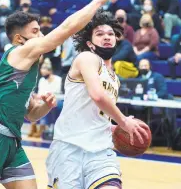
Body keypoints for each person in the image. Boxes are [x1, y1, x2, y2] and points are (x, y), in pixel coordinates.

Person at [0, 0, 121, 188]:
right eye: (35, 31)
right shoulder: (19, 52)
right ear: (19, 38)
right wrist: (99, 0)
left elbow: (31, 115)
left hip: (12, 140)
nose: (41, 35)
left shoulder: (26, 69)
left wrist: (44, 106)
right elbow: (63, 31)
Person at [46, 10, 149, 188]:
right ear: (90, 43)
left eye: (110, 34)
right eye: (99, 34)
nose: (107, 37)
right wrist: (123, 121)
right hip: (69, 148)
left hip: (101, 152)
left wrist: (114, 126)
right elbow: (97, 95)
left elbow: (99, 113)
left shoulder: (114, 78)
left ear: (117, 39)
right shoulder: (87, 58)